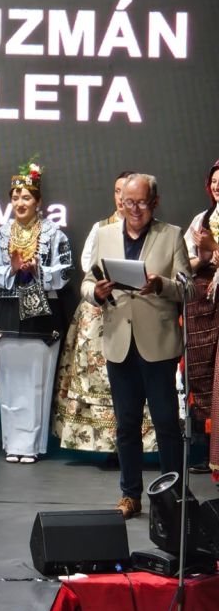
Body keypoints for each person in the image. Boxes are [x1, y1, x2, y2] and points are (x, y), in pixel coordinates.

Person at [82, 173, 193, 518]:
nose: (134, 209)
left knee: (166, 425)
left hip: (158, 344)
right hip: (119, 343)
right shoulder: (104, 234)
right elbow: (87, 280)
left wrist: (162, 285)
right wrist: (95, 293)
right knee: (126, 425)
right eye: (128, 202)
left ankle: (173, 497)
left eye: (141, 202)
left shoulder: (171, 235)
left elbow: (188, 288)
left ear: (154, 202)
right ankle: (130, 495)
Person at [53, 172, 157, 455]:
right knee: (97, 378)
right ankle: (99, 444)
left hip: (137, 310)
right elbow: (89, 262)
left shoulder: (154, 232)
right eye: (119, 192)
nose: (125, 201)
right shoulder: (102, 228)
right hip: (101, 313)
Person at [0, 163, 72, 464]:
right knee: (10, 379)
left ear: (39, 202)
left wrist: (38, 271)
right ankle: (12, 444)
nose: (20, 203)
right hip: (8, 307)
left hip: (43, 311)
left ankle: (30, 445)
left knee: (37, 381)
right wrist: (12, 269)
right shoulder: (1, 234)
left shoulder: (54, 234)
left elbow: (67, 271)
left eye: (27, 198)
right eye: (15, 197)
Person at [184, 159, 219, 474]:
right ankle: (204, 453)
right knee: (200, 374)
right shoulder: (201, 219)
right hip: (202, 308)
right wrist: (204, 256)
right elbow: (184, 264)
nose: (218, 185)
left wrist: (214, 246)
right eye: (215, 181)